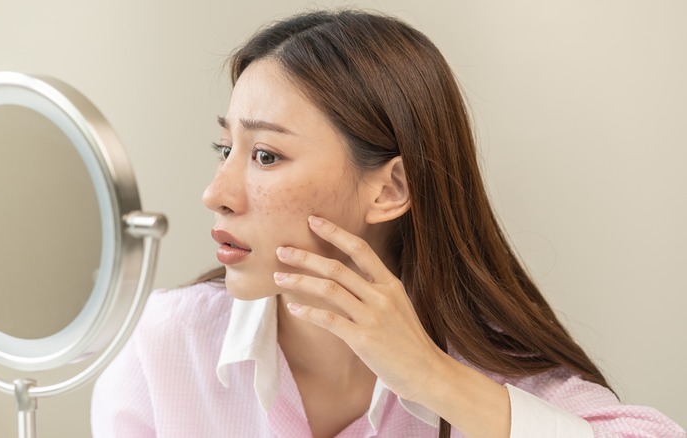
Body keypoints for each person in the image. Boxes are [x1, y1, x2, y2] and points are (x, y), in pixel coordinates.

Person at [91, 9, 685, 438]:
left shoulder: (485, 372)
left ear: (389, 188)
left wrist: (432, 378)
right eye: (226, 150)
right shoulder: (164, 347)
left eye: (266, 156)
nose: (215, 194)